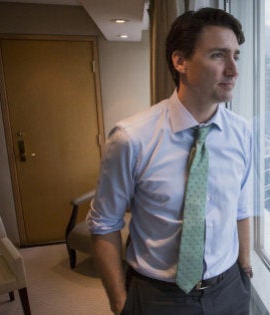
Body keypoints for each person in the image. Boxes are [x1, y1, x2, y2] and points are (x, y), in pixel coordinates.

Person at [87, 7, 252, 315]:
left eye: (236, 56)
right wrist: (120, 303)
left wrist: (244, 266)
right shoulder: (131, 138)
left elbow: (241, 206)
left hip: (229, 289)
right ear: (180, 62)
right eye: (218, 55)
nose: (233, 70)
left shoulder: (242, 133)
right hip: (158, 297)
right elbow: (104, 224)